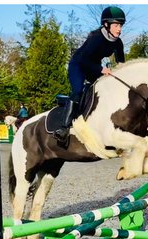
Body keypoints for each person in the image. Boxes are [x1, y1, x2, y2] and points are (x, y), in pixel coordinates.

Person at [54, 6, 127, 144]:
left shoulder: (118, 43)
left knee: (106, 89)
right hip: (78, 65)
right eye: (116, 25)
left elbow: (121, 63)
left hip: (94, 67)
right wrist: (102, 69)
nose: (119, 29)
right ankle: (63, 128)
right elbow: (84, 60)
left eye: (121, 25)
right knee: (78, 91)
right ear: (106, 25)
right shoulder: (96, 38)